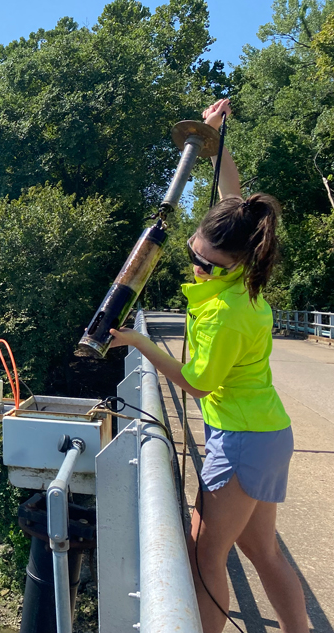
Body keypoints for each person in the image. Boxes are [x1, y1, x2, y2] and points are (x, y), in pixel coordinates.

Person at [108, 99, 309, 633]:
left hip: (241, 438)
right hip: (266, 431)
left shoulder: (225, 312)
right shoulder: (245, 277)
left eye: (206, 263)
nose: (195, 267)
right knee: (263, 551)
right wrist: (214, 139)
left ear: (235, 261)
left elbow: (197, 385)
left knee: (203, 553)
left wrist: (136, 342)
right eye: (193, 254)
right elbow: (234, 198)